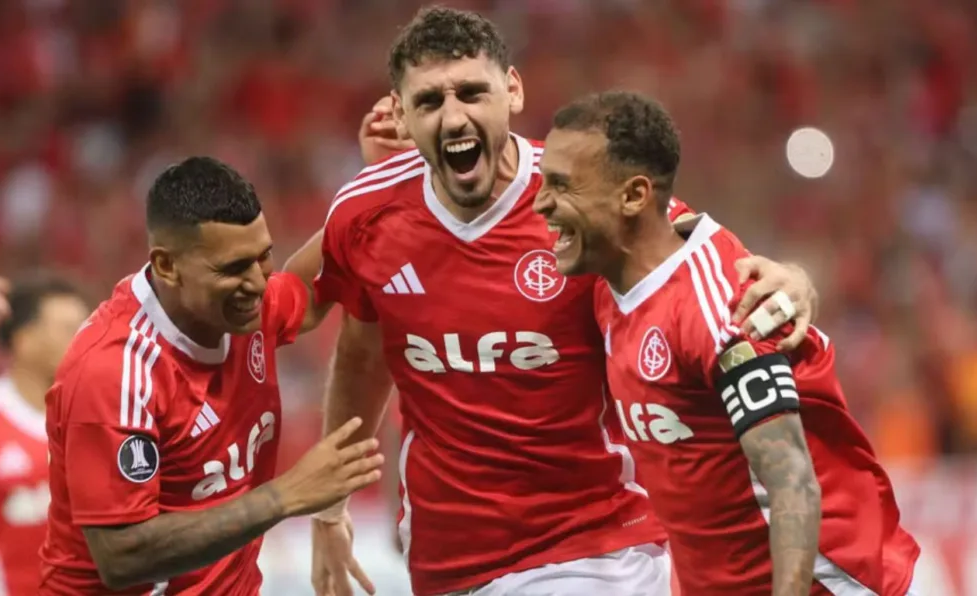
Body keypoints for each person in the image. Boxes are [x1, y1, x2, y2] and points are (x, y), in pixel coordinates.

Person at [306, 6, 820, 596]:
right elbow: (357, 349)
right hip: (445, 561)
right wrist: (328, 511)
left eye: (472, 93)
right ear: (400, 113)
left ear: (513, 90)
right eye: (429, 101)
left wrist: (795, 277)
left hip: (592, 551)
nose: (454, 117)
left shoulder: (580, 193)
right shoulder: (366, 213)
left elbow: (701, 266)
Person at [534, 90, 921, 595]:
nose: (541, 203)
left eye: (562, 185)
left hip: (827, 581)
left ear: (632, 197)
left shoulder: (722, 312)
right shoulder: (612, 284)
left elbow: (792, 483)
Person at [38, 157, 385, 595]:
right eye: (233, 268)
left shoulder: (238, 309)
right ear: (167, 266)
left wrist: (385, 181)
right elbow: (121, 556)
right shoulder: (116, 372)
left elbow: (311, 288)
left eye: (264, 257)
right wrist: (284, 496)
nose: (258, 283)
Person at [0, 275, 89, 596]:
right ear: (23, 340)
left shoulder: (105, 423)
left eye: (87, 327)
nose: (84, 340)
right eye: (69, 329)